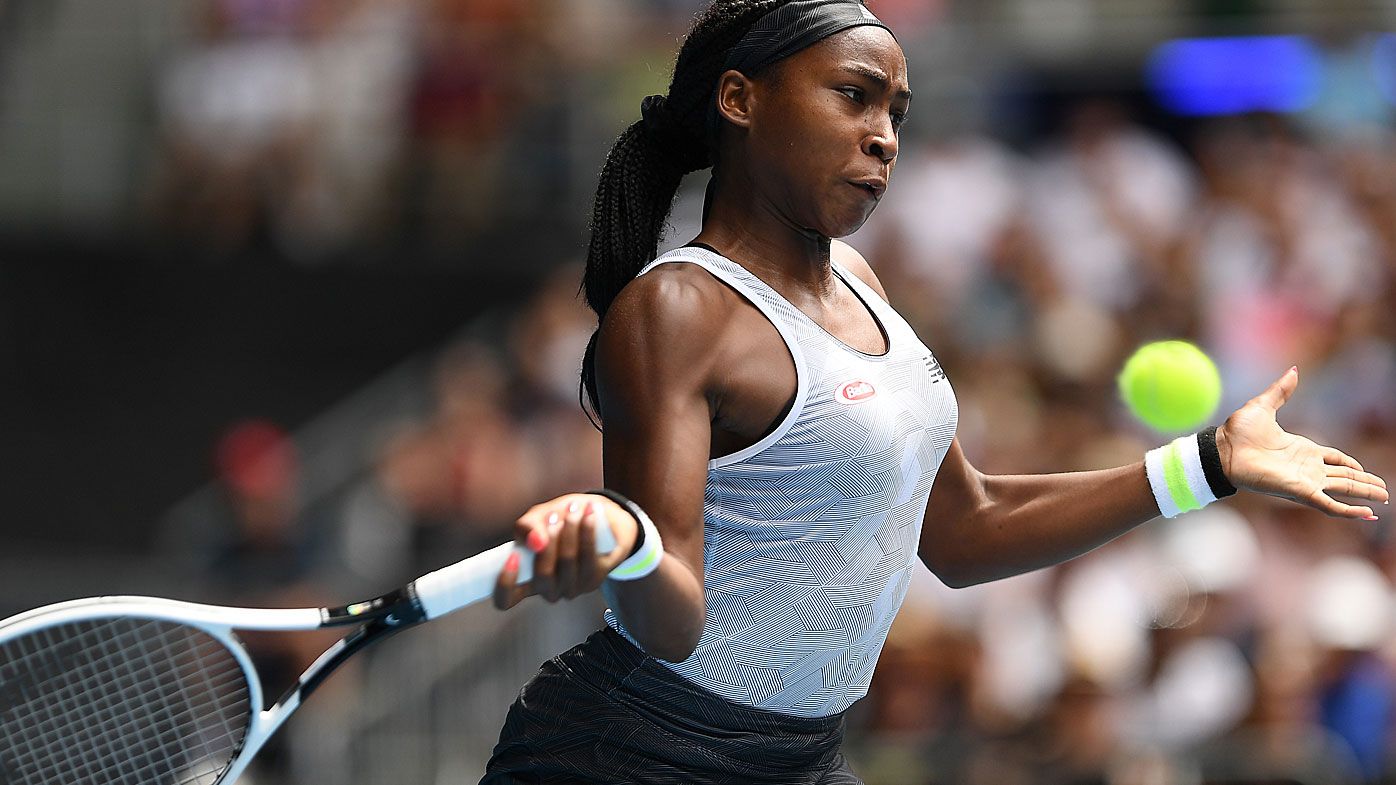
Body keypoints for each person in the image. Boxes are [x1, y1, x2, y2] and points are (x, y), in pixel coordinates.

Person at [480, 2, 1389, 783]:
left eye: (897, 112)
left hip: (801, 756)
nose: (884, 135)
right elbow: (670, 616)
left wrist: (1210, 464)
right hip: (634, 753)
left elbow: (963, 526)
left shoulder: (862, 282)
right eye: (853, 94)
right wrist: (624, 542)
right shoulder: (678, 307)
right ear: (739, 99)